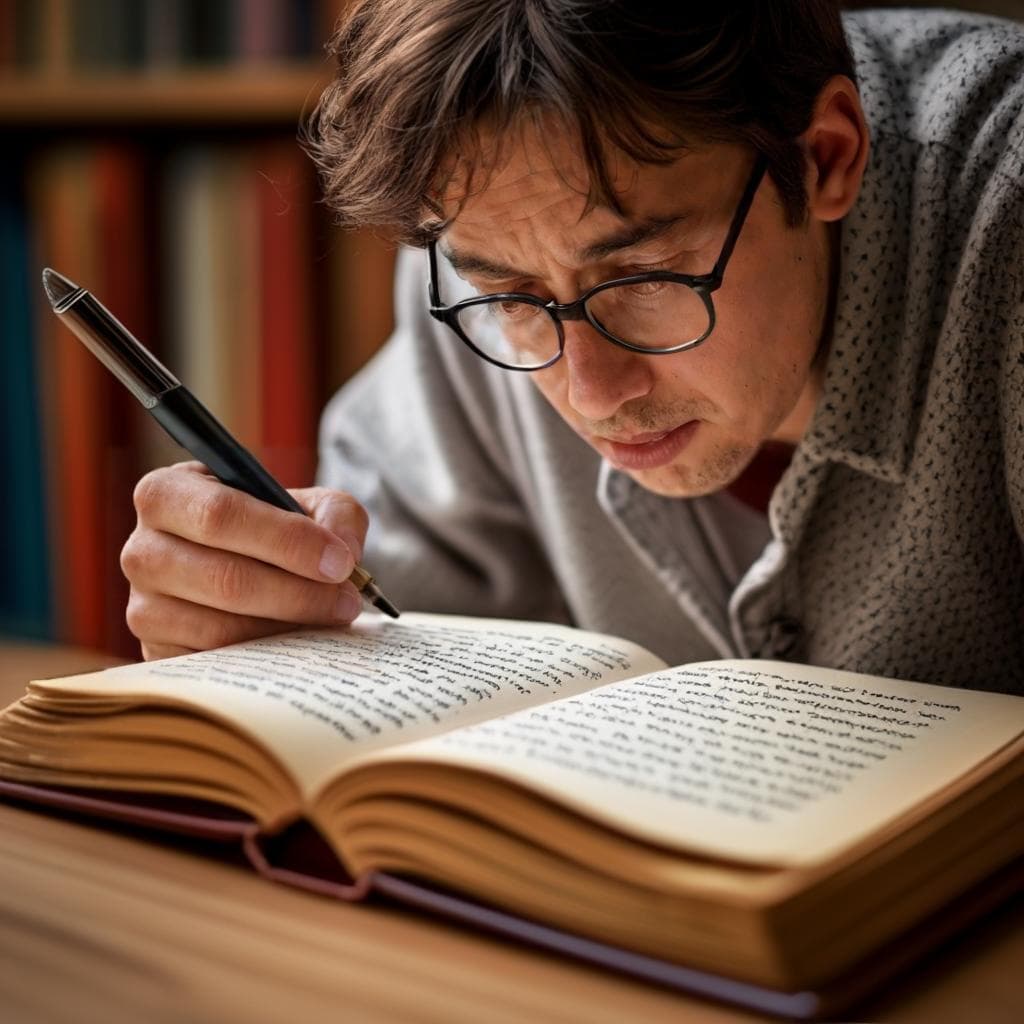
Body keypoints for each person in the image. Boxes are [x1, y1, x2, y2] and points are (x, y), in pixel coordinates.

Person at [119, 1, 1024, 693]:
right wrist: (256, 631)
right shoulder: (476, 242)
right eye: (512, 298)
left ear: (826, 156)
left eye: (642, 279)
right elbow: (385, 640)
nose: (590, 394)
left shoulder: (1007, 225)